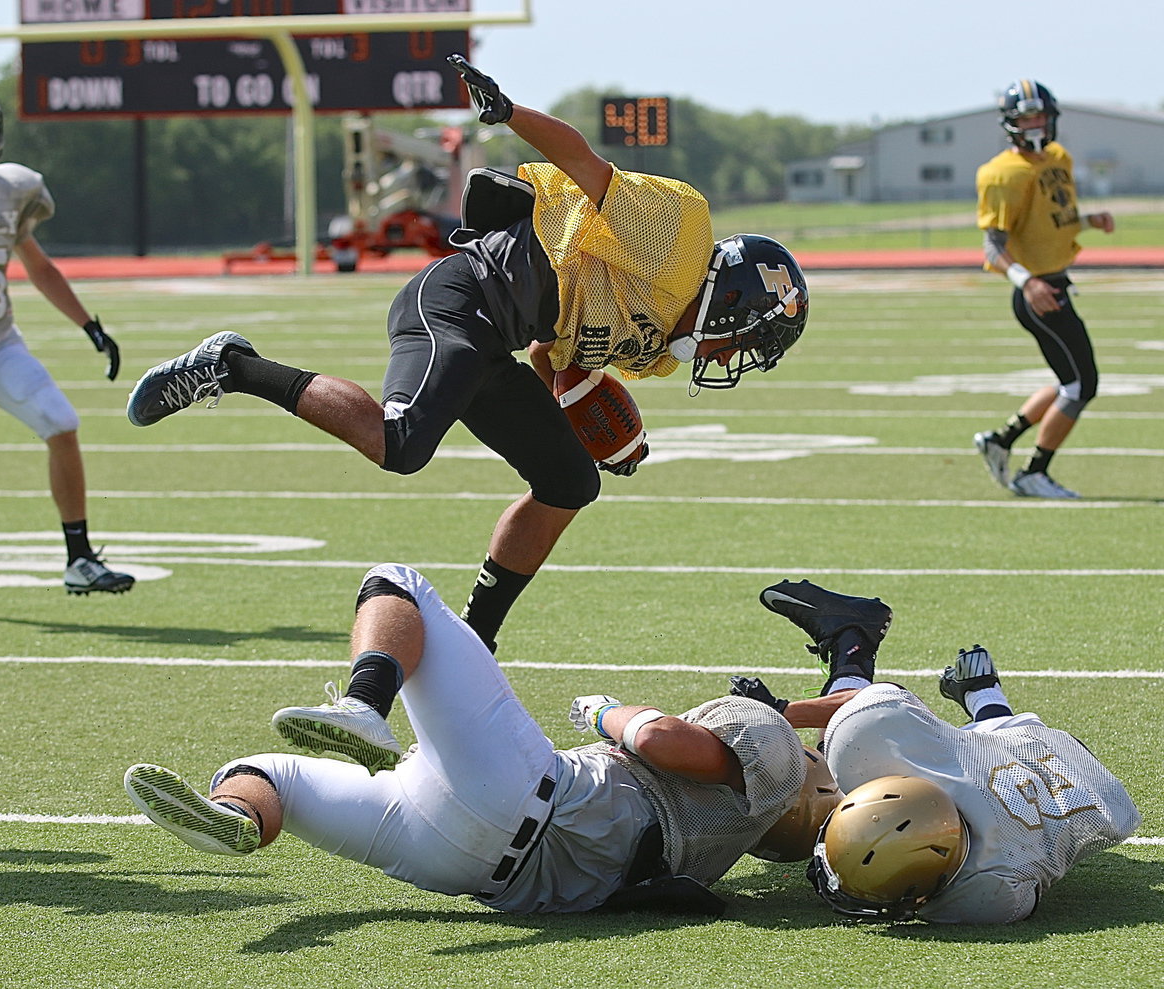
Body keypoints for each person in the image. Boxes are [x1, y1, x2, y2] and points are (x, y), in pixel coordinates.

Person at [124, 54, 808, 651]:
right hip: (458, 297)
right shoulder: (679, 237)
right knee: (401, 444)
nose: (733, 355)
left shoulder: (658, 348)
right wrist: (509, 113)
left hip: (495, 341)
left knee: (570, 482)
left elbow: (551, 353)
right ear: (734, 299)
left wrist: (582, 412)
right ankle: (233, 366)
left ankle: (476, 638)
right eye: (746, 338)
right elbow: (583, 163)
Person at [125, 562, 813, 915]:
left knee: (397, 582)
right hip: (470, 868)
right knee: (267, 774)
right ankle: (236, 819)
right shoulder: (722, 846)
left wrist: (604, 711)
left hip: (526, 800)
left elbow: (659, 736)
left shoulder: (777, 759)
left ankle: (365, 705)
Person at [734, 579, 1141, 924]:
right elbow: (877, 703)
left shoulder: (991, 890)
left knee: (811, 800)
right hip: (1071, 771)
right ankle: (859, 642)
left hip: (1080, 780)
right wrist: (783, 711)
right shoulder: (987, 890)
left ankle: (980, 689)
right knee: (847, 756)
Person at [0, 78, 133, 595]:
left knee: (62, 424)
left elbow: (37, 266)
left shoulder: (12, 188)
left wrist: (89, 325)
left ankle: (79, 559)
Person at [972, 79, 1115, 500]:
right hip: (1039, 291)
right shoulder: (1000, 173)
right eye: (1026, 119)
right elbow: (993, 246)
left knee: (1069, 379)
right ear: (1011, 124)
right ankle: (1034, 471)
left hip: (1054, 281)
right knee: (1082, 384)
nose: (1035, 125)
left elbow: (1050, 220)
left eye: (1040, 117)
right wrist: (1028, 282)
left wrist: (1088, 221)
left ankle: (1001, 440)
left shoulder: (1058, 157)